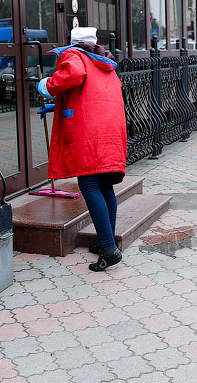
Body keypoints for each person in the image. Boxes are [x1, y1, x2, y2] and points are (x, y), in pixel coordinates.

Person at [36, 27, 127, 271]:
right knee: (104, 185)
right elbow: (89, 93)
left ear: (73, 42)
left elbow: (74, 75)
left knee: (89, 184)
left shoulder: (74, 55)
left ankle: (109, 249)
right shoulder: (104, 61)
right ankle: (107, 241)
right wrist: (56, 106)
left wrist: (47, 86)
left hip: (89, 130)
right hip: (110, 128)